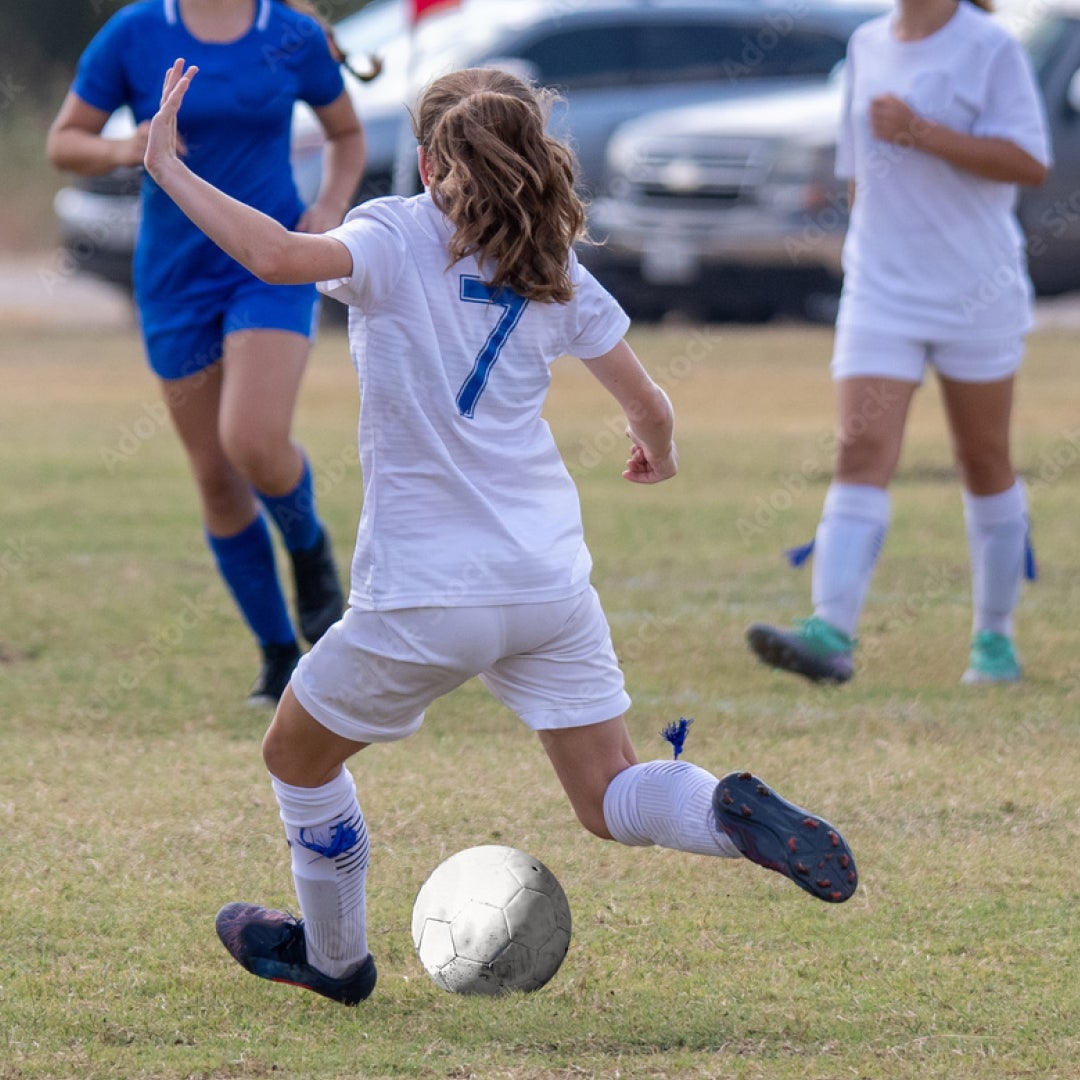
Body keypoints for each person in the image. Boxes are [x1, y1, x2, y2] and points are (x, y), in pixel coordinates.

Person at [144, 61, 859, 1006]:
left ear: (433, 160)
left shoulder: (395, 233)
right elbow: (649, 404)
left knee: (296, 757)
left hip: (426, 597)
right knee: (610, 795)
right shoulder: (552, 263)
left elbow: (277, 256)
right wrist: (657, 451)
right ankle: (724, 811)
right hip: (546, 585)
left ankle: (334, 959)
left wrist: (169, 169)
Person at [46, 0, 379, 706]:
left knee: (253, 438)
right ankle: (277, 652)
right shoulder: (135, 31)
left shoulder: (290, 35)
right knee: (217, 479)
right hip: (173, 279)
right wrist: (126, 146)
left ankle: (309, 553)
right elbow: (64, 143)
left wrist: (331, 208)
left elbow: (346, 134)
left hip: (267, 261)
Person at [746, 0, 1050, 687]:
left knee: (984, 458)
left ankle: (994, 642)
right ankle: (830, 634)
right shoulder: (865, 43)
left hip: (976, 287)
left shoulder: (991, 47)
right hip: (882, 291)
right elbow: (861, 174)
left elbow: (1030, 161)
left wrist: (922, 132)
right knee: (860, 449)